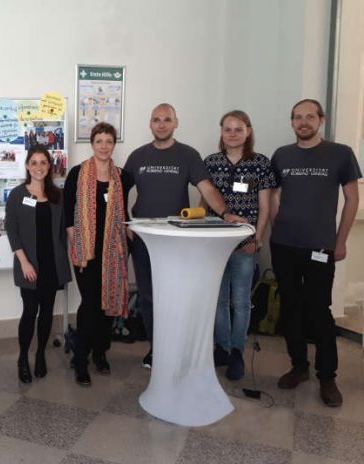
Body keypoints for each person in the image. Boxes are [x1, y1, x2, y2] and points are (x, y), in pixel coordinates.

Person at [123, 103, 244, 369]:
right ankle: (157, 349)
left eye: (167, 119)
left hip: (177, 241)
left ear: (176, 123)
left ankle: (178, 346)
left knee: (178, 296)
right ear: (150, 124)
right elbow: (119, 189)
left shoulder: (188, 155)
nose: (162, 124)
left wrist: (224, 213)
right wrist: (125, 224)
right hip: (144, 239)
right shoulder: (137, 156)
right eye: (156, 119)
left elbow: (207, 188)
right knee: (148, 297)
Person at [270, 99, 361, 407]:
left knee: (319, 310)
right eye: (297, 117)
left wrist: (341, 241)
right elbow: (273, 195)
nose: (303, 122)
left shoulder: (340, 154)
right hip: (284, 245)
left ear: (320, 120)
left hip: (321, 246)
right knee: (291, 307)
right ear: (292, 122)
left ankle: (327, 377)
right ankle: (299, 367)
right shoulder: (282, 155)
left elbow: (351, 199)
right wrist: (274, 224)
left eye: (309, 116)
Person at [201, 110, 276, 380]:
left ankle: (236, 352)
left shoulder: (260, 164)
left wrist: (257, 238)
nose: (232, 133)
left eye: (238, 129)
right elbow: (205, 201)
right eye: (227, 129)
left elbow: (265, 206)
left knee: (241, 301)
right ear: (221, 133)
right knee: (218, 300)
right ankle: (221, 347)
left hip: (246, 244)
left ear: (248, 131)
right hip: (214, 244)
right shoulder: (209, 163)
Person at [63, 122, 132, 387]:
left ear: (114, 145)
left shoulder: (122, 177)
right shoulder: (78, 174)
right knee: (90, 304)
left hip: (113, 251)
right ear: (92, 144)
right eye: (99, 141)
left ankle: (100, 353)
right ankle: (81, 359)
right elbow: (68, 212)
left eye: (109, 141)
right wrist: (76, 241)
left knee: (108, 306)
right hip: (86, 252)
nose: (104, 146)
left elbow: (125, 212)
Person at [5, 144, 71, 383]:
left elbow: (63, 231)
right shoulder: (18, 194)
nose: (39, 167)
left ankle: (40, 353)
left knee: (46, 314)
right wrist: (24, 263)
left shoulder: (57, 195)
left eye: (43, 163)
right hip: (29, 265)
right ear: (27, 166)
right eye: (34, 163)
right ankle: (23, 357)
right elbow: (11, 230)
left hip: (52, 265)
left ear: (49, 166)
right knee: (30, 311)